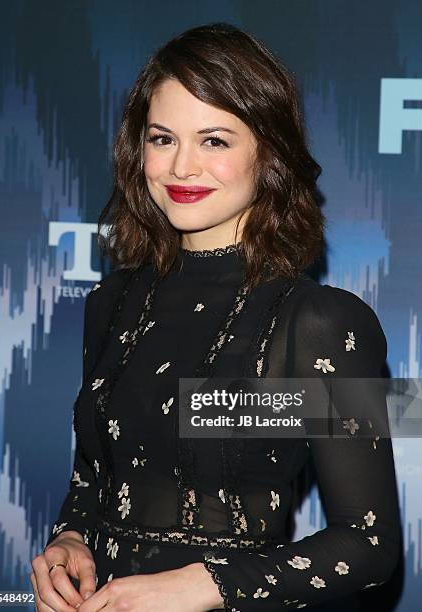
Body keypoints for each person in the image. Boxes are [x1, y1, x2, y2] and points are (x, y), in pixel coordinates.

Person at [30, 22, 401, 612]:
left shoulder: (320, 322)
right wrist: (71, 540)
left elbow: (369, 546)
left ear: (270, 154)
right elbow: (91, 482)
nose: (180, 167)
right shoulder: (111, 304)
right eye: (161, 138)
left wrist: (203, 582)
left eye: (215, 140)